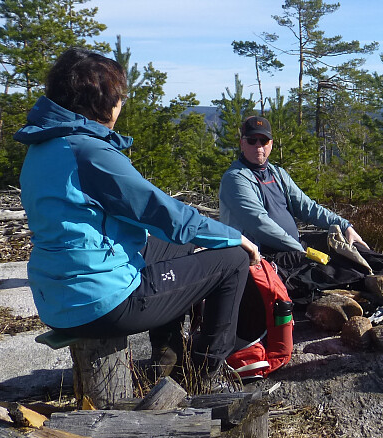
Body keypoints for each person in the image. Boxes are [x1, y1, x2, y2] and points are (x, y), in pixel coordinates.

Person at [14, 48, 261, 392]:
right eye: (119, 98)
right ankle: (203, 377)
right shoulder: (88, 152)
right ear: (103, 102)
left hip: (58, 296)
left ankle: (166, 359)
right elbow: (164, 214)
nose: (120, 106)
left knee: (175, 246)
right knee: (232, 259)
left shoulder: (45, 145)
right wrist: (235, 236)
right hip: (100, 303)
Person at [219, 115, 369, 259]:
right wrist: (301, 250)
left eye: (263, 140)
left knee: (351, 247)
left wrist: (344, 226)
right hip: (264, 255)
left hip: (293, 247)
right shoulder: (235, 178)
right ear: (242, 143)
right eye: (252, 140)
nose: (258, 145)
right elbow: (259, 224)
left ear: (271, 144)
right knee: (336, 270)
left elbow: (308, 207)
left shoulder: (278, 174)